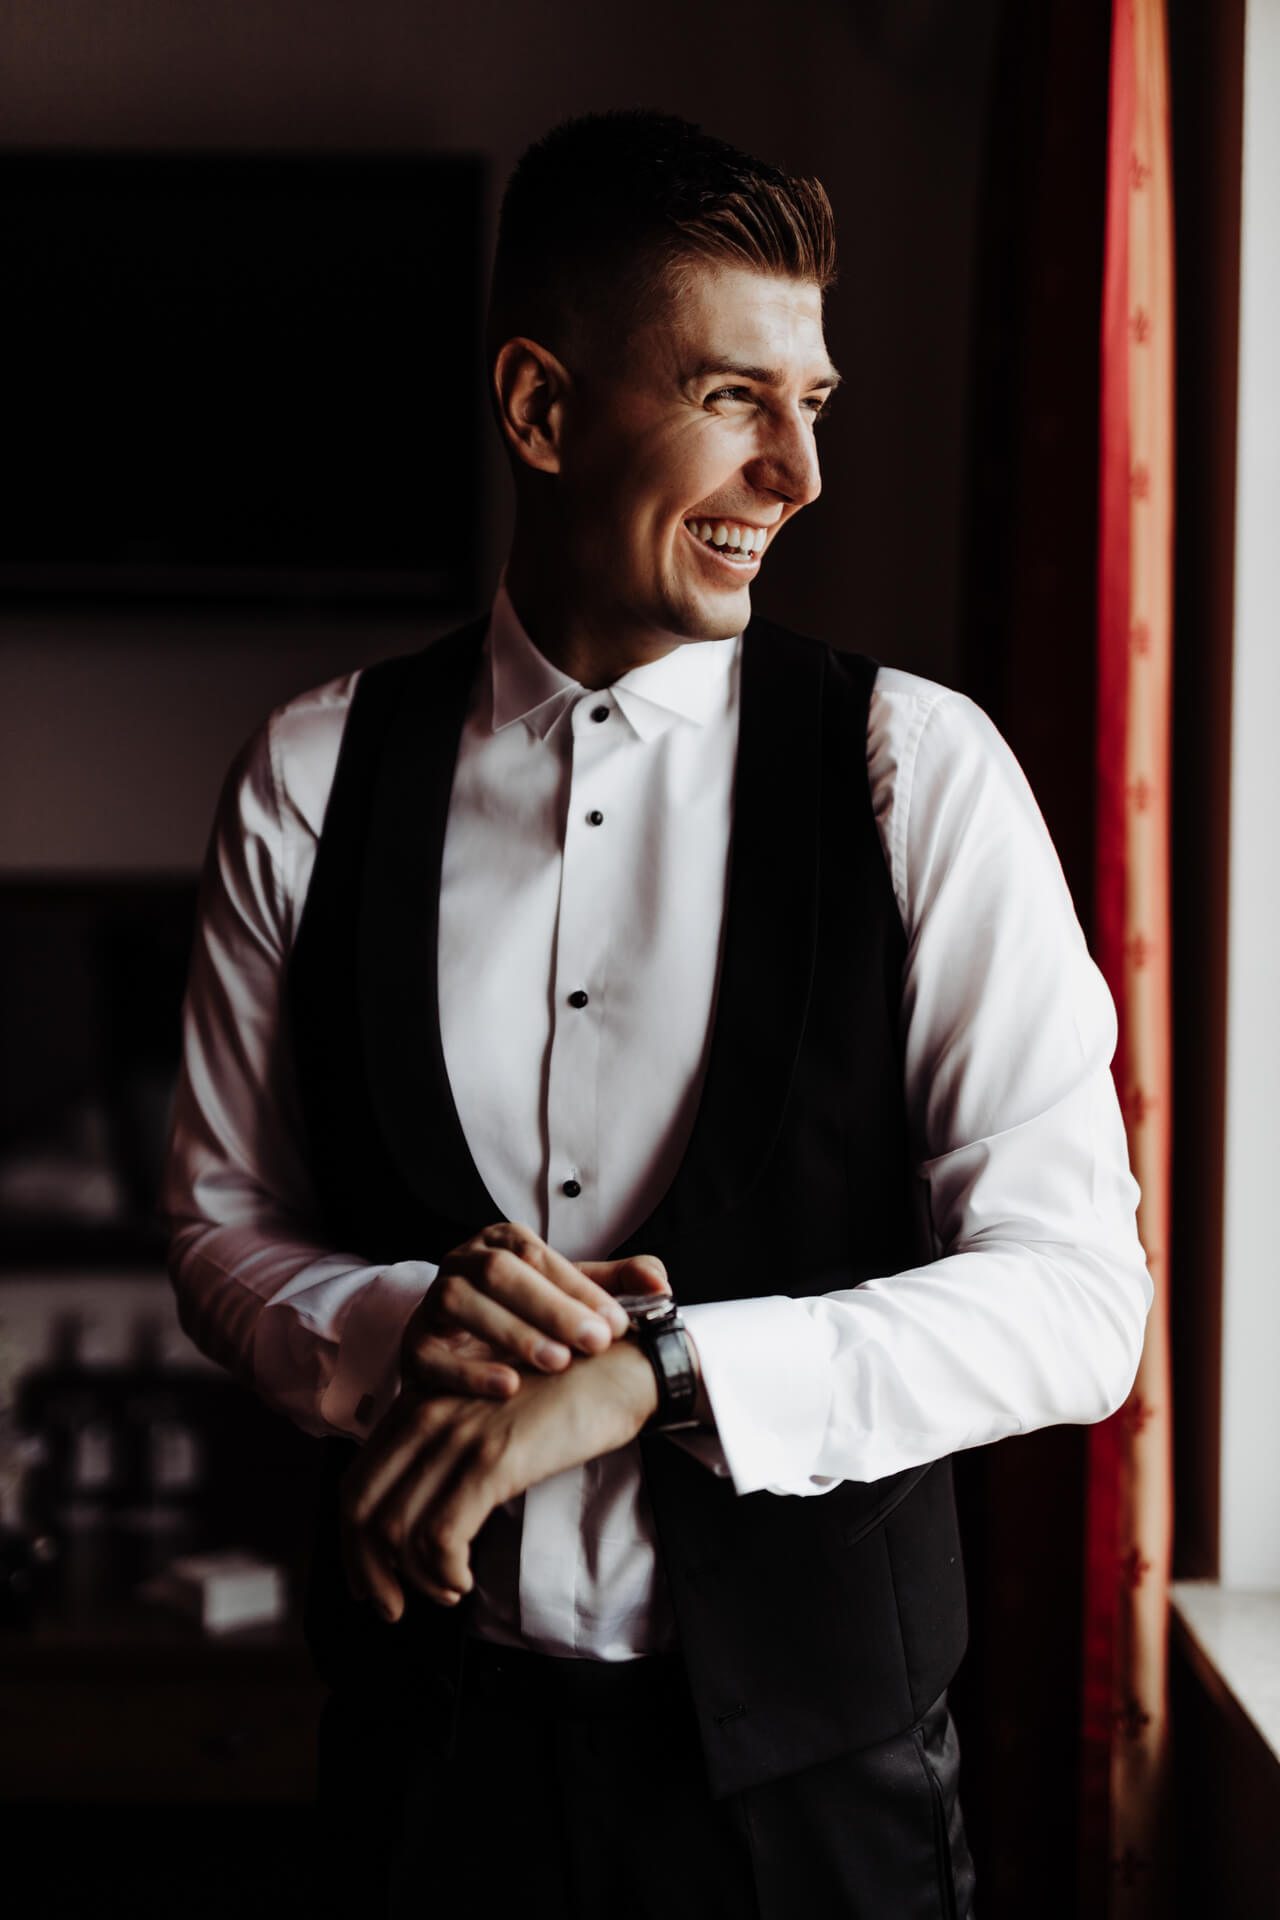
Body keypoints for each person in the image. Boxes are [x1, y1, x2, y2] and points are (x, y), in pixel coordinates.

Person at [163, 110, 1151, 1920]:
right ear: (542, 410)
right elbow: (224, 1229)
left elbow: (1080, 1305)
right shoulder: (310, 778)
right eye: (730, 398)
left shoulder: (918, 772)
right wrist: (398, 1324)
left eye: (814, 403)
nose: (798, 473)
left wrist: (657, 1374)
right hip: (424, 1777)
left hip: (824, 1808)